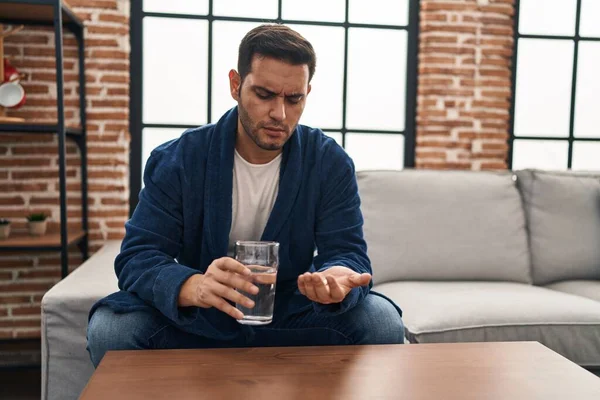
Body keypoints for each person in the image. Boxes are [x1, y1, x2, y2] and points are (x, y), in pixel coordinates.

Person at [86, 24, 404, 368]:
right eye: (265, 95)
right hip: (202, 315)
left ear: (307, 92)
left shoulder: (328, 162)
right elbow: (139, 256)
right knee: (110, 330)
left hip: (288, 314)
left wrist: (336, 279)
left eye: (294, 98)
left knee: (381, 321)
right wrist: (193, 285)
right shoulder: (179, 159)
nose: (280, 114)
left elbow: (346, 251)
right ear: (236, 85)